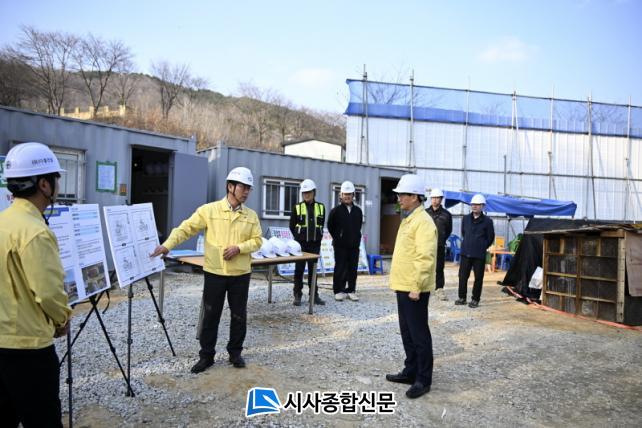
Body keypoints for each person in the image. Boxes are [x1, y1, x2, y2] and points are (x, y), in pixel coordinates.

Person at [150, 167, 262, 373]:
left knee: (239, 316)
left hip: (240, 274)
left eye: (249, 188)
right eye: (243, 187)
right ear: (230, 186)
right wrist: (167, 245)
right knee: (211, 315)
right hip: (215, 273)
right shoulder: (209, 211)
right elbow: (186, 228)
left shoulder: (251, 216)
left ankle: (235, 353)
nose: (246, 191)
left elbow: (257, 241)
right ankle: (206, 356)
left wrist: (239, 248)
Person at [0, 142, 72, 427]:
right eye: (55, 179)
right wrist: (62, 319)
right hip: (29, 348)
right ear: (44, 184)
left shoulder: (4, 222)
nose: (57, 185)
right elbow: (48, 293)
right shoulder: (36, 232)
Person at [385, 174, 437, 399]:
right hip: (403, 285)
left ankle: (423, 379)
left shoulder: (423, 222)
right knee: (407, 332)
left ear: (414, 197)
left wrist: (416, 286)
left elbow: (425, 257)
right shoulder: (409, 218)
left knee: (419, 334)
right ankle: (411, 370)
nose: (398, 199)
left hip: (414, 288)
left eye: (402, 195)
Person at [289, 178, 325, 306]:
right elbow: (292, 226)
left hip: (315, 245)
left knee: (313, 271)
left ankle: (314, 295)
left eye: (309, 192)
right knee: (299, 270)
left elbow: (321, 225)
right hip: (301, 245)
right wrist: (299, 238)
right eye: (304, 193)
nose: (306, 195)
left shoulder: (321, 207)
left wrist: (318, 238)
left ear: (314, 192)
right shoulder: (297, 207)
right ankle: (297, 294)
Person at [455, 193, 495, 308]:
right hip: (465, 252)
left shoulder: (487, 221)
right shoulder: (466, 219)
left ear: (482, 206)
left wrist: (482, 246)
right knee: (462, 276)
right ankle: (462, 298)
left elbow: (490, 237)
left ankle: (475, 299)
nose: (474, 206)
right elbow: (464, 233)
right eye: (473, 204)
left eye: (477, 204)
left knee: (478, 278)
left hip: (479, 254)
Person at [327, 180, 363, 301]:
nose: (347, 196)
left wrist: (355, 238)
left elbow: (358, 226)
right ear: (341, 195)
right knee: (340, 268)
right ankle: (338, 290)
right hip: (340, 246)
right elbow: (330, 226)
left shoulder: (358, 211)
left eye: (349, 194)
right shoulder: (335, 211)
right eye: (345, 194)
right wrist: (338, 237)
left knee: (353, 268)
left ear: (353, 195)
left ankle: (351, 290)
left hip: (354, 246)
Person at [425, 188, 452, 301]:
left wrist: (441, 239)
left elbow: (449, 230)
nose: (435, 200)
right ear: (431, 199)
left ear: (441, 199)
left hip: (440, 245)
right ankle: (425, 288)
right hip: (426, 245)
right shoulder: (425, 213)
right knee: (425, 266)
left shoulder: (446, 214)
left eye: (437, 198)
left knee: (439, 268)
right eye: (433, 198)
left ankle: (439, 289)